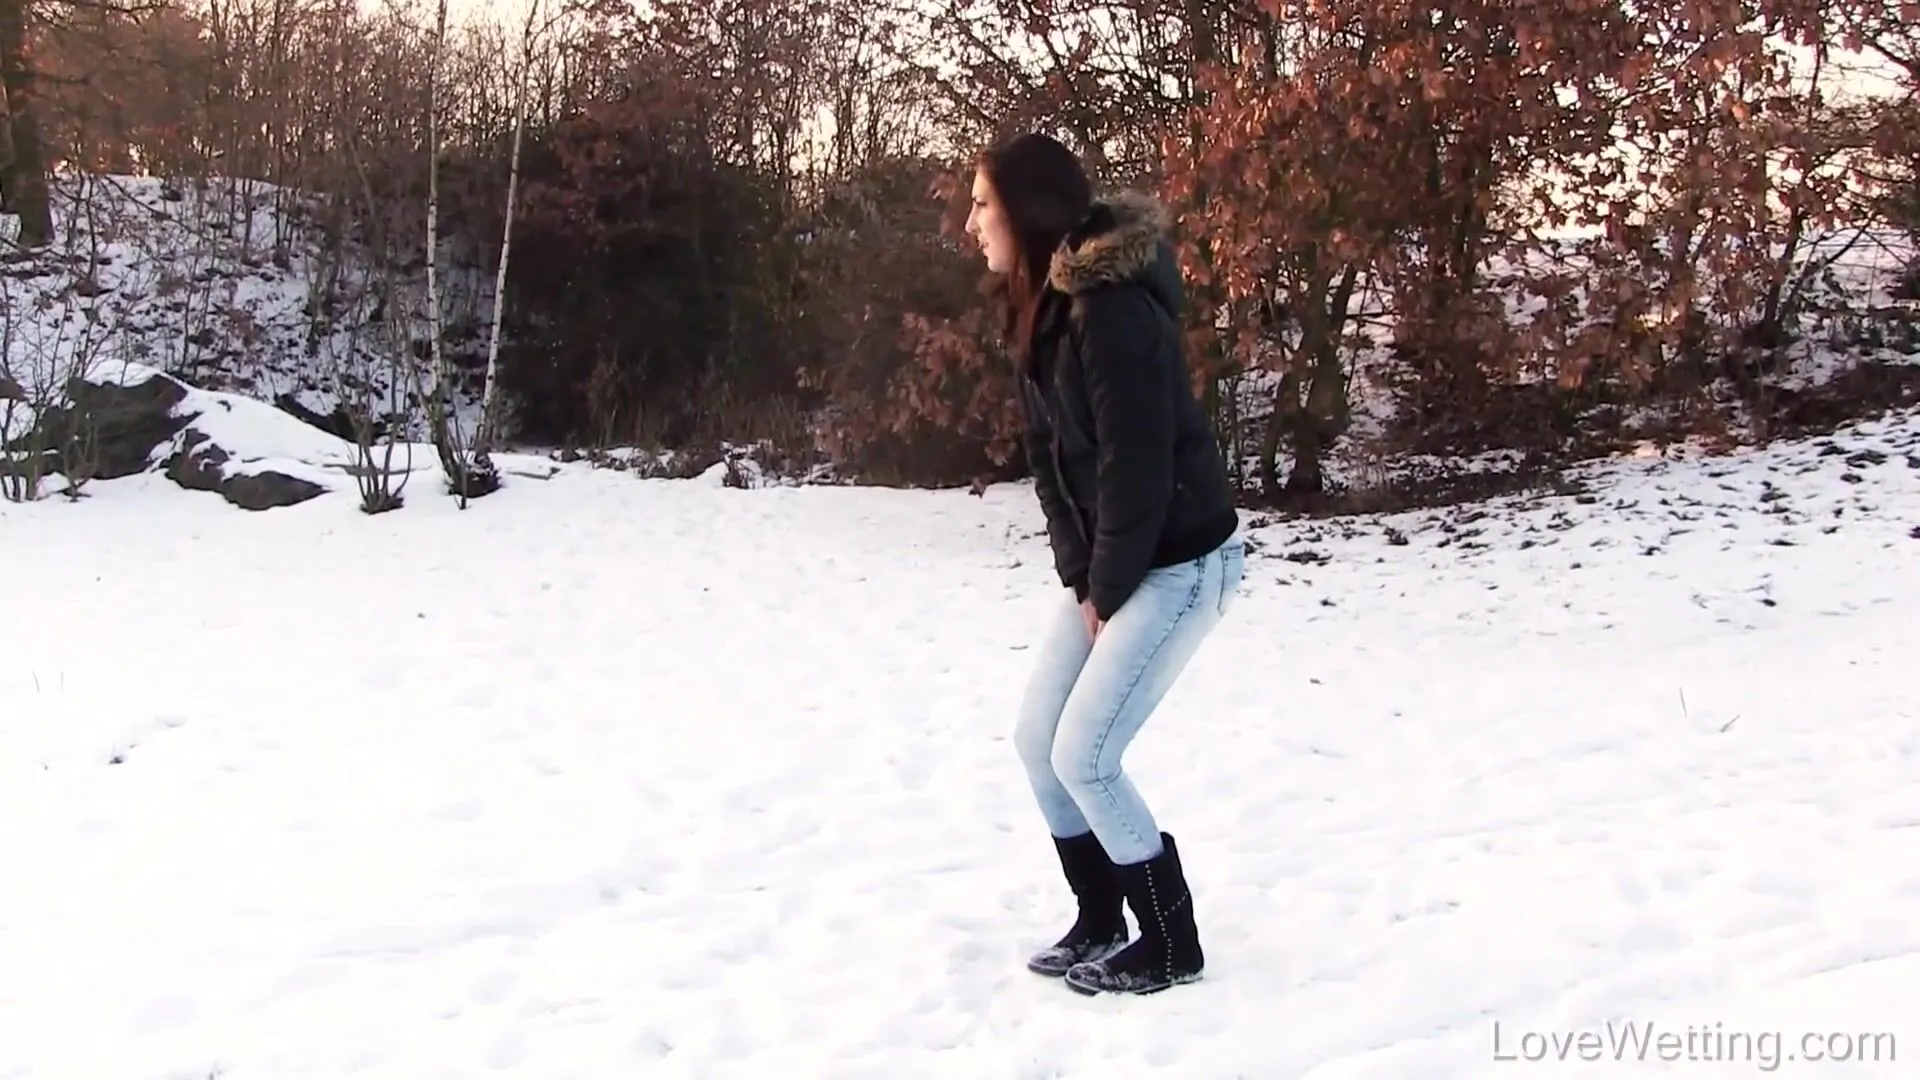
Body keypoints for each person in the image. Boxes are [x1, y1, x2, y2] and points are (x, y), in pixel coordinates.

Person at [964, 132, 1245, 996]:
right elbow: (1050, 461)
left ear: (1027, 211)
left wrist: (1112, 589)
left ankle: (1170, 942)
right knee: (1037, 743)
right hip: (1120, 565)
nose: (971, 223)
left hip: (1183, 563)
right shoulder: (1039, 306)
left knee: (1085, 753)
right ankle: (1100, 917)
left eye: (982, 204)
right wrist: (1082, 579)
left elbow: (1137, 464)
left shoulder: (1111, 309)